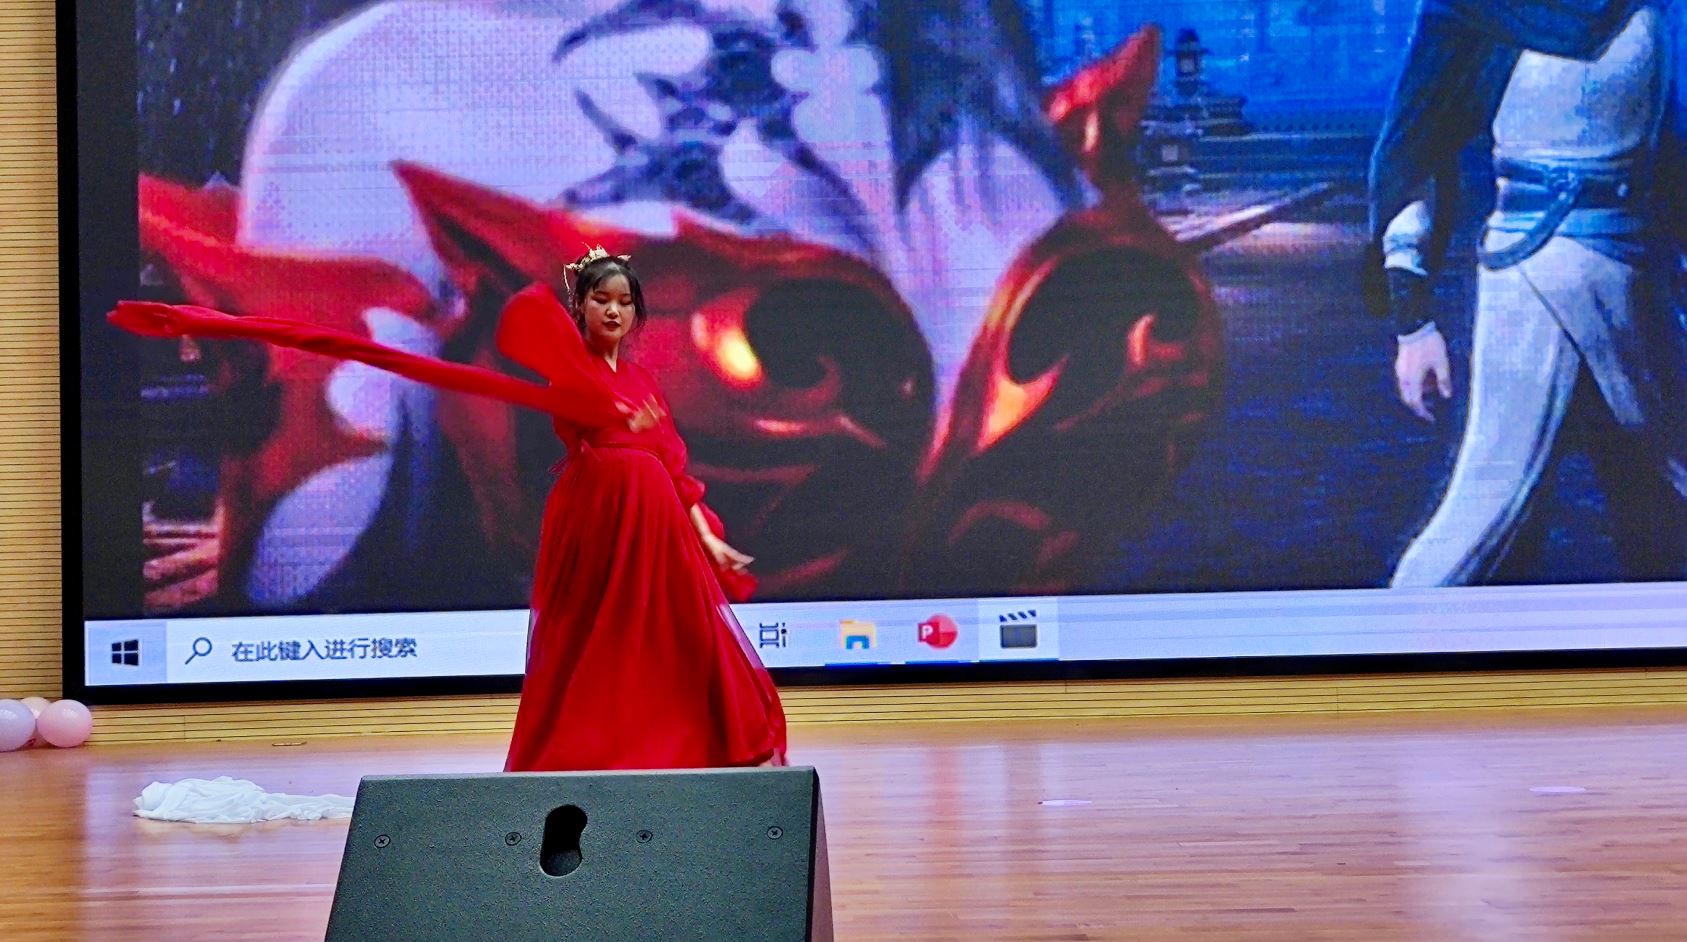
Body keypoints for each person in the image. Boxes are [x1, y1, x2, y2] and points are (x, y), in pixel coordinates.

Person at [109, 247, 788, 771]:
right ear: (581, 308)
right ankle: (599, 750)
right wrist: (197, 320)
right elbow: (489, 337)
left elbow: (675, 470)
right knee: (596, 637)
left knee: (682, 632)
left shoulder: (640, 380)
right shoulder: (569, 368)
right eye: (600, 300)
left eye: (623, 302)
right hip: (600, 512)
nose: (613, 312)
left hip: (657, 517)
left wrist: (708, 540)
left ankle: (702, 745)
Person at [1367, 0, 1687, 585]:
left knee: (1663, 508)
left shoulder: (1648, 12)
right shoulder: (1473, 10)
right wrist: (1412, 320)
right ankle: (1400, 636)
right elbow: (1415, 151)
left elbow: (1668, 156)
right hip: (1534, 282)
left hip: (1637, 289)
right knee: (1486, 512)